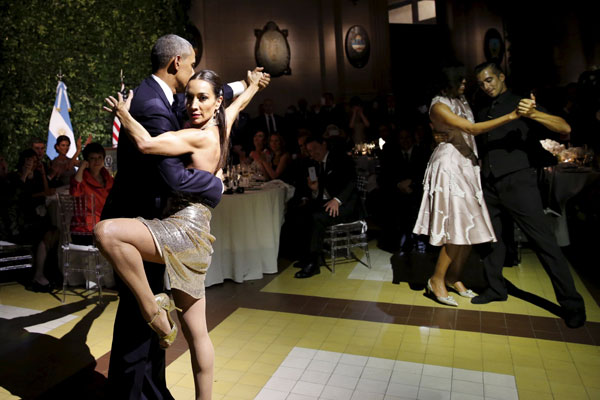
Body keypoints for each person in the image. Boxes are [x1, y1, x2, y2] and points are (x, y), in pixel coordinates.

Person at [98, 34, 267, 400]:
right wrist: (250, 84)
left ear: (215, 101)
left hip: (180, 231)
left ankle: (155, 313)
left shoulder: (196, 137)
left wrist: (124, 115)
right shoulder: (223, 121)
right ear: (177, 62)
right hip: (199, 238)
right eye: (189, 94)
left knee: (106, 234)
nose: (189, 101)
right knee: (198, 334)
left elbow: (153, 153)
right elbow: (235, 99)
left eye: (199, 96)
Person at [472, 62, 586, 328]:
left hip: (519, 184)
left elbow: (564, 128)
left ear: (501, 77)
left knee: (545, 244)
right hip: (489, 185)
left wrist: (533, 114)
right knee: (492, 242)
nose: (486, 86)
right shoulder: (480, 108)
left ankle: (572, 304)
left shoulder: (521, 103)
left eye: (489, 80)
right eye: (481, 83)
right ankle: (495, 289)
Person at [413, 64, 525, 307]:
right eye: (460, 80)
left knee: (470, 228)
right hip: (450, 166)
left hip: (467, 165)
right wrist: (511, 116)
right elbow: (470, 129)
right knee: (456, 228)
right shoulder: (439, 105)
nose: (465, 84)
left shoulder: (461, 100)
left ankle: (454, 277)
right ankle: (437, 280)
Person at [294, 135, 361, 278]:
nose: (313, 153)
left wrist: (337, 200)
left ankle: (314, 263)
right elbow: (321, 192)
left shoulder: (340, 158)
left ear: (324, 145)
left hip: (347, 205)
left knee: (317, 217)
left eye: (315, 149)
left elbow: (352, 182)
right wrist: (314, 190)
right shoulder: (317, 164)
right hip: (329, 203)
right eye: (310, 151)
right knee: (301, 213)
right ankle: (307, 256)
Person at [69, 142, 114, 245]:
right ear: (87, 160)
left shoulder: (109, 179)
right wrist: (82, 167)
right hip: (84, 229)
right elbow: (75, 192)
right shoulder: (81, 177)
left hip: (106, 226)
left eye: (99, 157)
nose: (97, 161)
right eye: (92, 158)